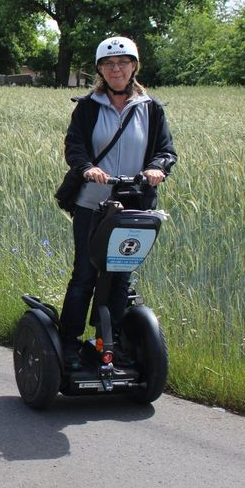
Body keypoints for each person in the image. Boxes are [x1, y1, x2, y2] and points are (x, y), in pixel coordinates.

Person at [59, 36, 177, 367]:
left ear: (134, 67)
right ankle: (68, 344)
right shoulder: (88, 106)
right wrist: (88, 168)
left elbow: (166, 151)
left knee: (120, 275)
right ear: (99, 69)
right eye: (109, 65)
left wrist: (156, 168)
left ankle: (107, 342)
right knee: (85, 273)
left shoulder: (150, 108)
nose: (116, 69)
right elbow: (75, 146)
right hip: (93, 203)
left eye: (123, 63)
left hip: (134, 206)